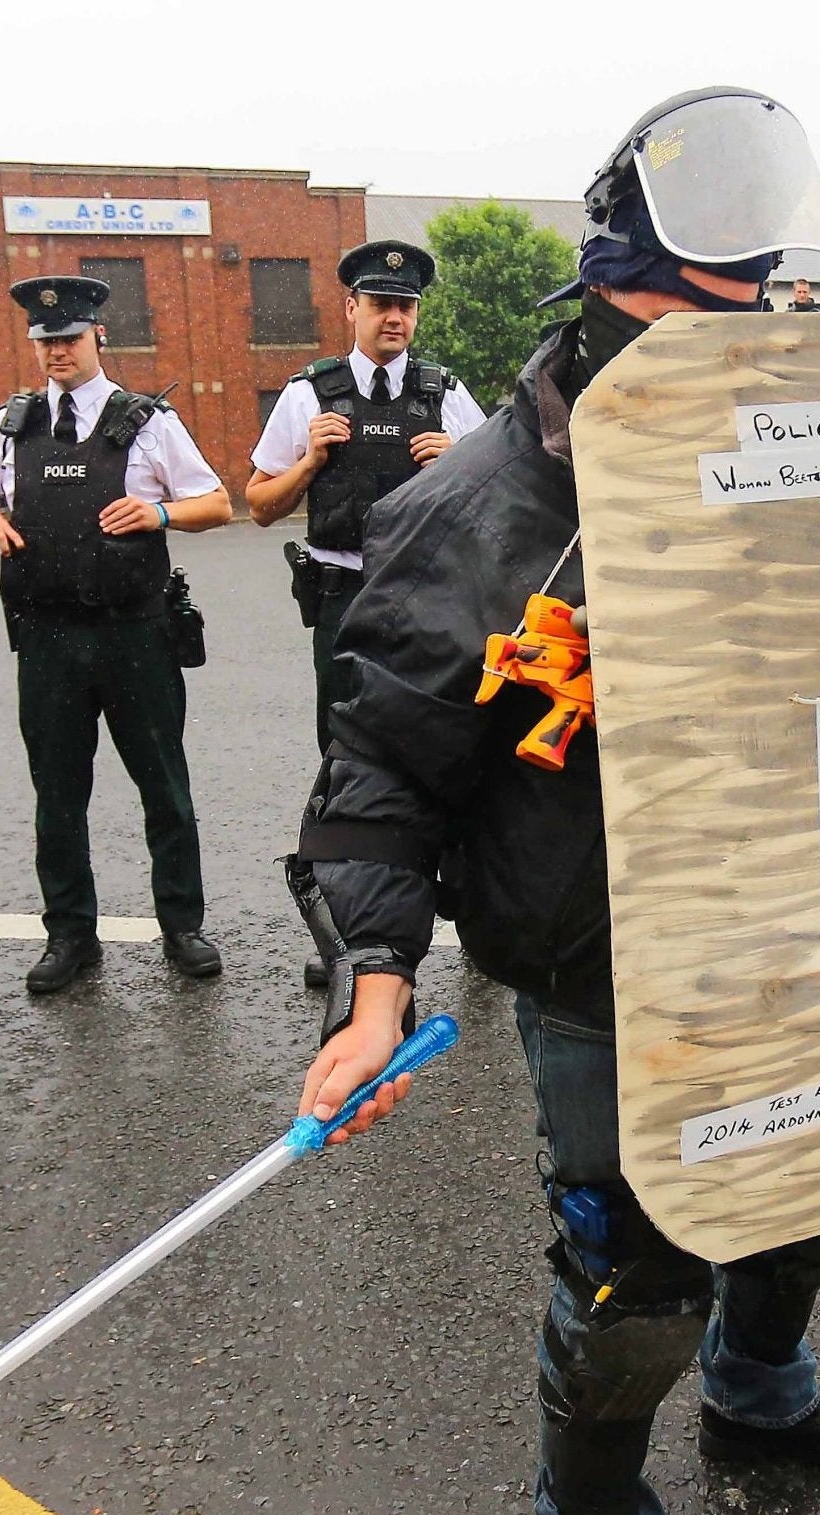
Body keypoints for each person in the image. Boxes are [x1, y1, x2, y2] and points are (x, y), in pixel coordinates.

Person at [289, 87, 820, 1515]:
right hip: (598, 964)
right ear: (629, 305)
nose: (758, 351)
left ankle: (762, 1393)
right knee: (635, 1282)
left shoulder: (792, 468)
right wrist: (370, 982)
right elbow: (378, 780)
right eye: (721, 319)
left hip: (784, 924)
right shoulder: (467, 519)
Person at [0, 277, 233, 994]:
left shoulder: (146, 421)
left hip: (133, 634)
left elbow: (216, 501)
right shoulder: (9, 424)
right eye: (46, 341)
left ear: (96, 338)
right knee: (57, 795)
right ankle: (69, 935)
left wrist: (161, 517)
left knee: (163, 788)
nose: (57, 351)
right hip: (46, 637)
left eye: (69, 339)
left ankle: (182, 926)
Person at [249, 242, 485, 985]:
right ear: (350, 308)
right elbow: (258, 506)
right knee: (345, 765)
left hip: (428, 595)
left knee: (450, 751)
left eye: (405, 305)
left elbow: (500, 504)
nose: (394, 317)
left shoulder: (445, 393)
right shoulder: (308, 394)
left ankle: (476, 925)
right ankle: (348, 938)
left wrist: (457, 462)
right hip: (344, 598)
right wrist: (307, 464)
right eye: (380, 303)